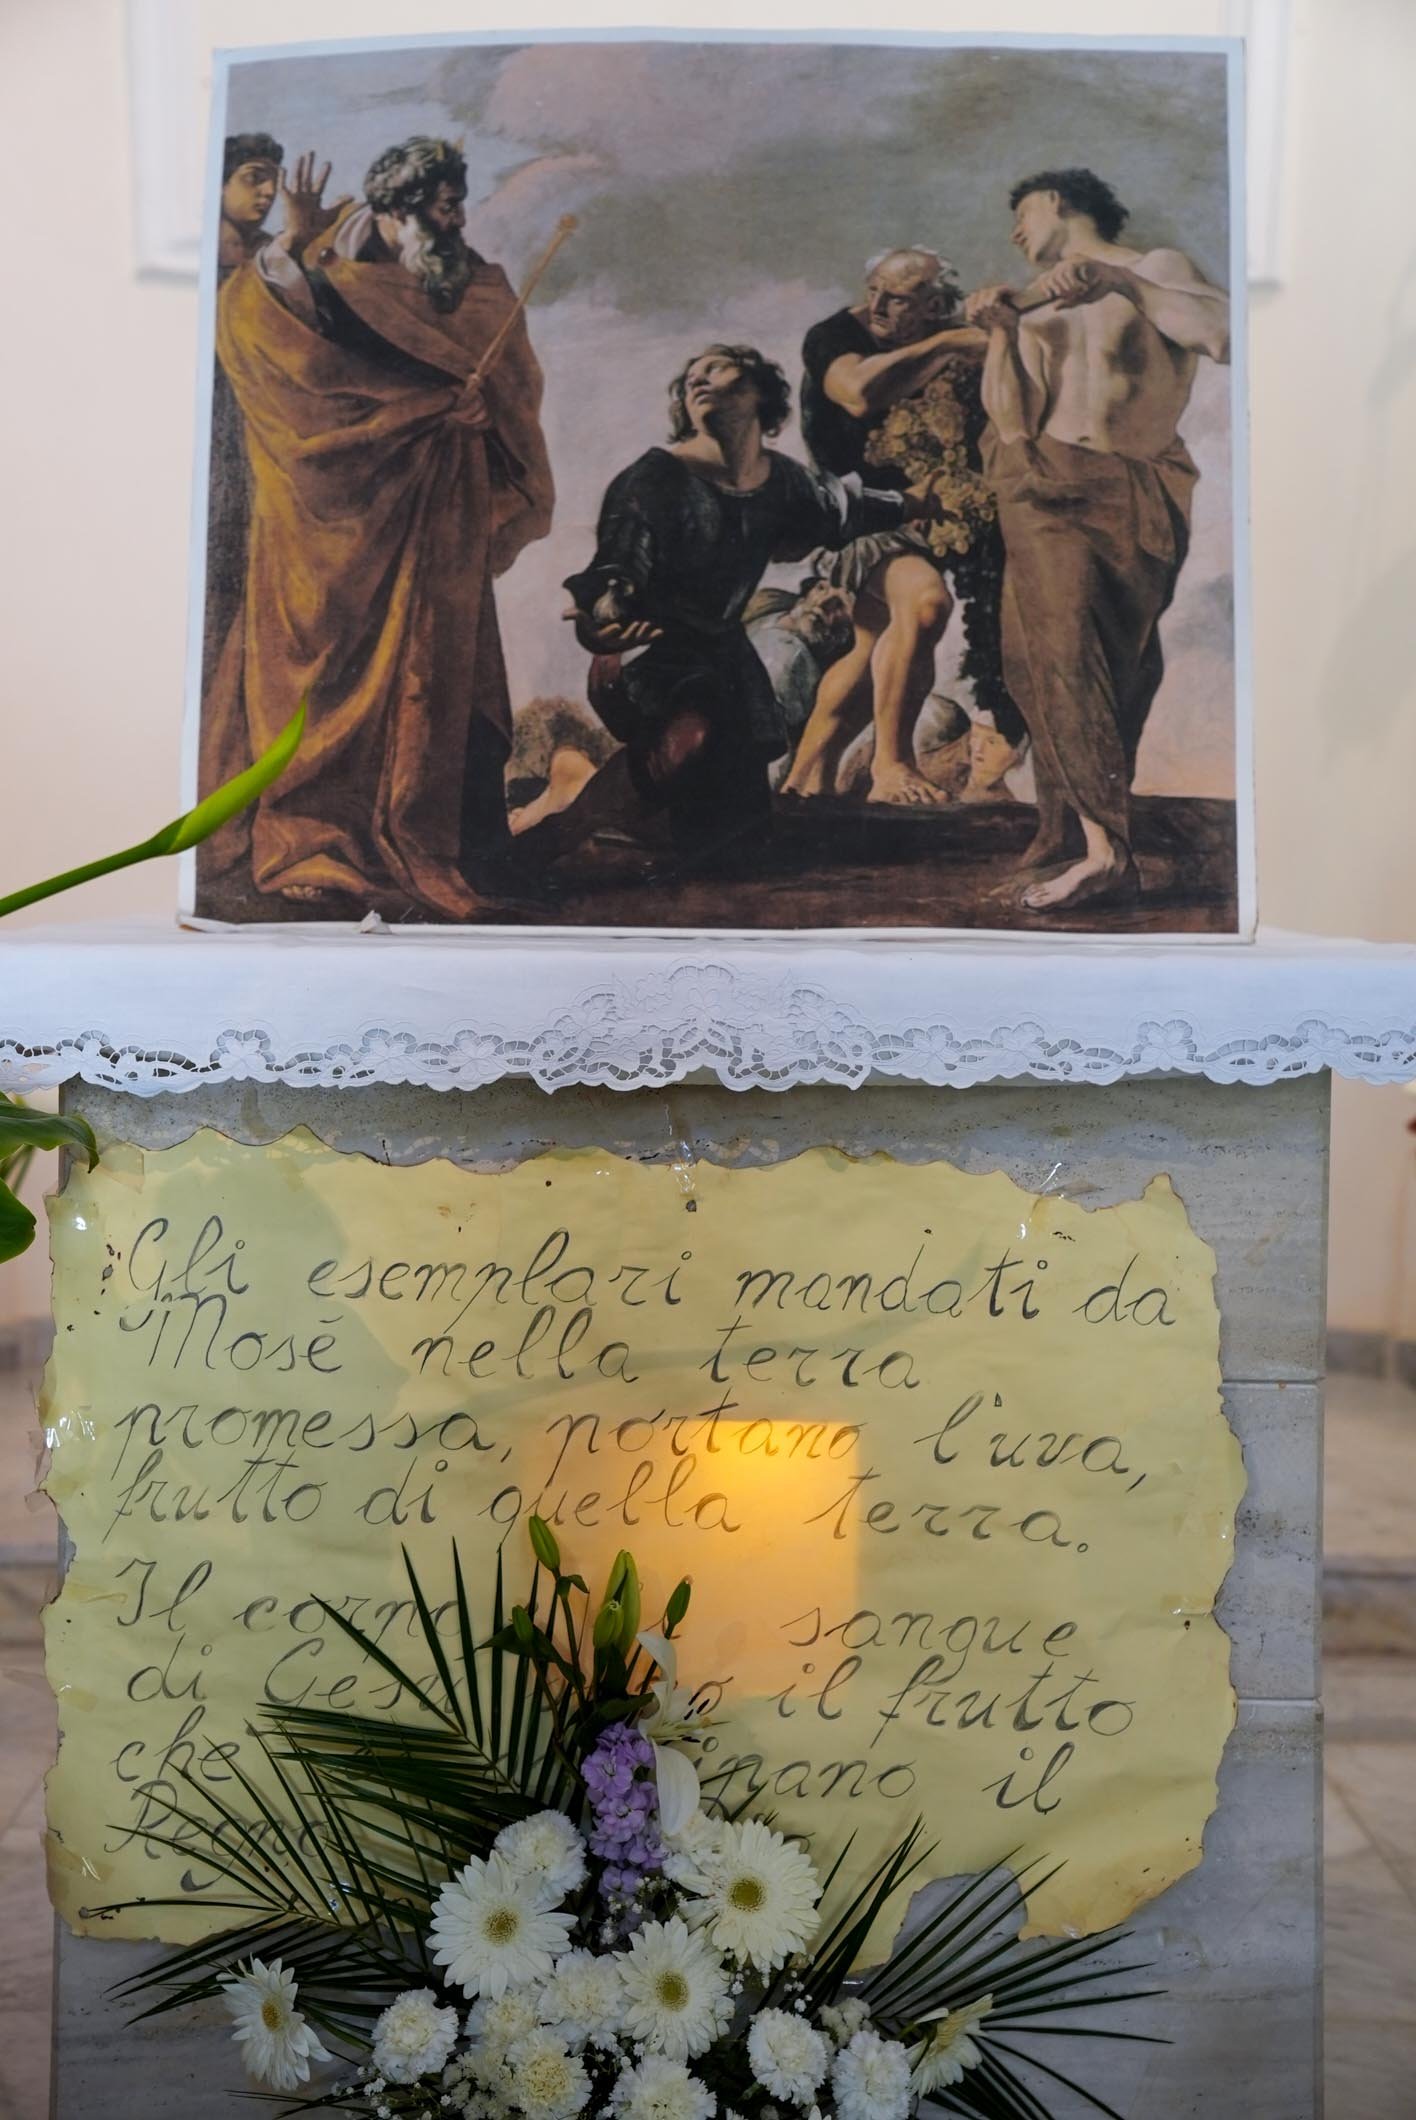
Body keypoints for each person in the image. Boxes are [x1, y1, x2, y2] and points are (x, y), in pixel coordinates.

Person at [199, 136, 553, 919]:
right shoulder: (324, 264)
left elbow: (510, 388)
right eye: (442, 205)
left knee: (440, 674)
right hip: (329, 519)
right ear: (396, 207)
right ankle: (312, 844)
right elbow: (268, 347)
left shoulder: (469, 284)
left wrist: (482, 415)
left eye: (459, 203)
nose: (456, 219)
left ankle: (442, 847)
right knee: (322, 666)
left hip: (434, 514)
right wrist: (295, 241)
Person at [545, 344, 944, 875]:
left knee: (732, 843)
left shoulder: (783, 482)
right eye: (691, 376)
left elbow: (842, 509)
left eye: (715, 367)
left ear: (760, 393)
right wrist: (601, 621)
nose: (698, 379)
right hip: (650, 655)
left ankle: (582, 786)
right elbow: (616, 571)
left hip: (726, 662)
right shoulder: (654, 478)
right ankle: (564, 826)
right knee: (689, 737)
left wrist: (916, 502)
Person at [965, 168, 1229, 912]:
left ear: (1057, 202)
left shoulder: (1155, 267)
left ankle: (1089, 838)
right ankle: (1102, 850)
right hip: (1046, 489)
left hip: (1136, 491)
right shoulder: (1034, 303)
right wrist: (1002, 332)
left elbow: (1222, 335)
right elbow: (1012, 424)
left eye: (1023, 214)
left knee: (1122, 665)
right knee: (1050, 652)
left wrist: (1121, 281)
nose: (1015, 233)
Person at [785, 248, 1026, 805]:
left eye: (895, 299)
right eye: (874, 290)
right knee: (924, 606)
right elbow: (858, 394)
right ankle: (890, 766)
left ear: (935, 305)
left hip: (930, 522)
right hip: (862, 515)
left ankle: (804, 777)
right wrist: (948, 344)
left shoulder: (958, 339)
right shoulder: (835, 336)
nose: (875, 306)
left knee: (872, 646)